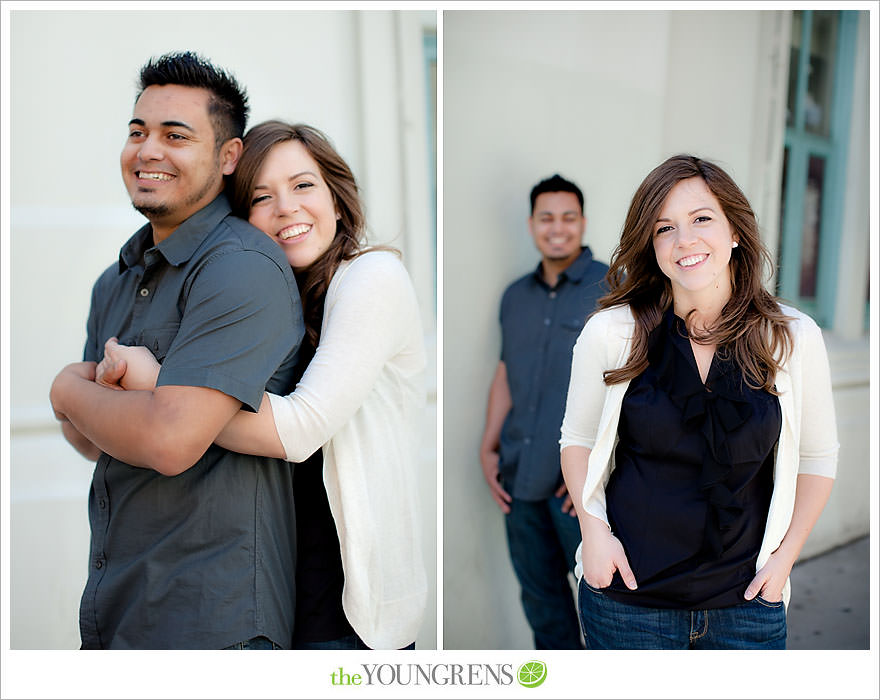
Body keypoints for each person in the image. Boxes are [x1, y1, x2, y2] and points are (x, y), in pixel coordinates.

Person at [97, 121, 428, 651]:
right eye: (261, 197)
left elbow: (300, 430)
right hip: (272, 592)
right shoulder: (267, 294)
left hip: (348, 606)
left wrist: (158, 384)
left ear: (336, 199)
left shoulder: (372, 278)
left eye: (303, 186)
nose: (286, 208)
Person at [48, 52, 304, 649]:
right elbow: (88, 439)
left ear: (228, 156)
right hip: (120, 610)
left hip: (216, 619)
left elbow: (167, 441)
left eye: (175, 135)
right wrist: (104, 408)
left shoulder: (239, 267)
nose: (147, 150)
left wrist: (68, 388)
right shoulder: (117, 278)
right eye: (137, 131)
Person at [560, 154, 838, 649]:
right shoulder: (611, 333)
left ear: (735, 231)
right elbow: (577, 441)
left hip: (747, 606)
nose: (684, 240)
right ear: (652, 244)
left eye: (702, 219)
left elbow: (817, 458)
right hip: (628, 604)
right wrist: (594, 534)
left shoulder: (791, 338)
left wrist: (786, 558)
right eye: (665, 227)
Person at [478, 174, 608, 649]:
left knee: (604, 610)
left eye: (568, 218)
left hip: (577, 490)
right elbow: (506, 371)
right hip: (520, 483)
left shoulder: (613, 289)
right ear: (532, 224)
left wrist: (598, 472)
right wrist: (488, 445)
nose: (558, 228)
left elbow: (633, 390)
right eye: (547, 218)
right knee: (544, 608)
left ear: (583, 223)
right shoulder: (515, 296)